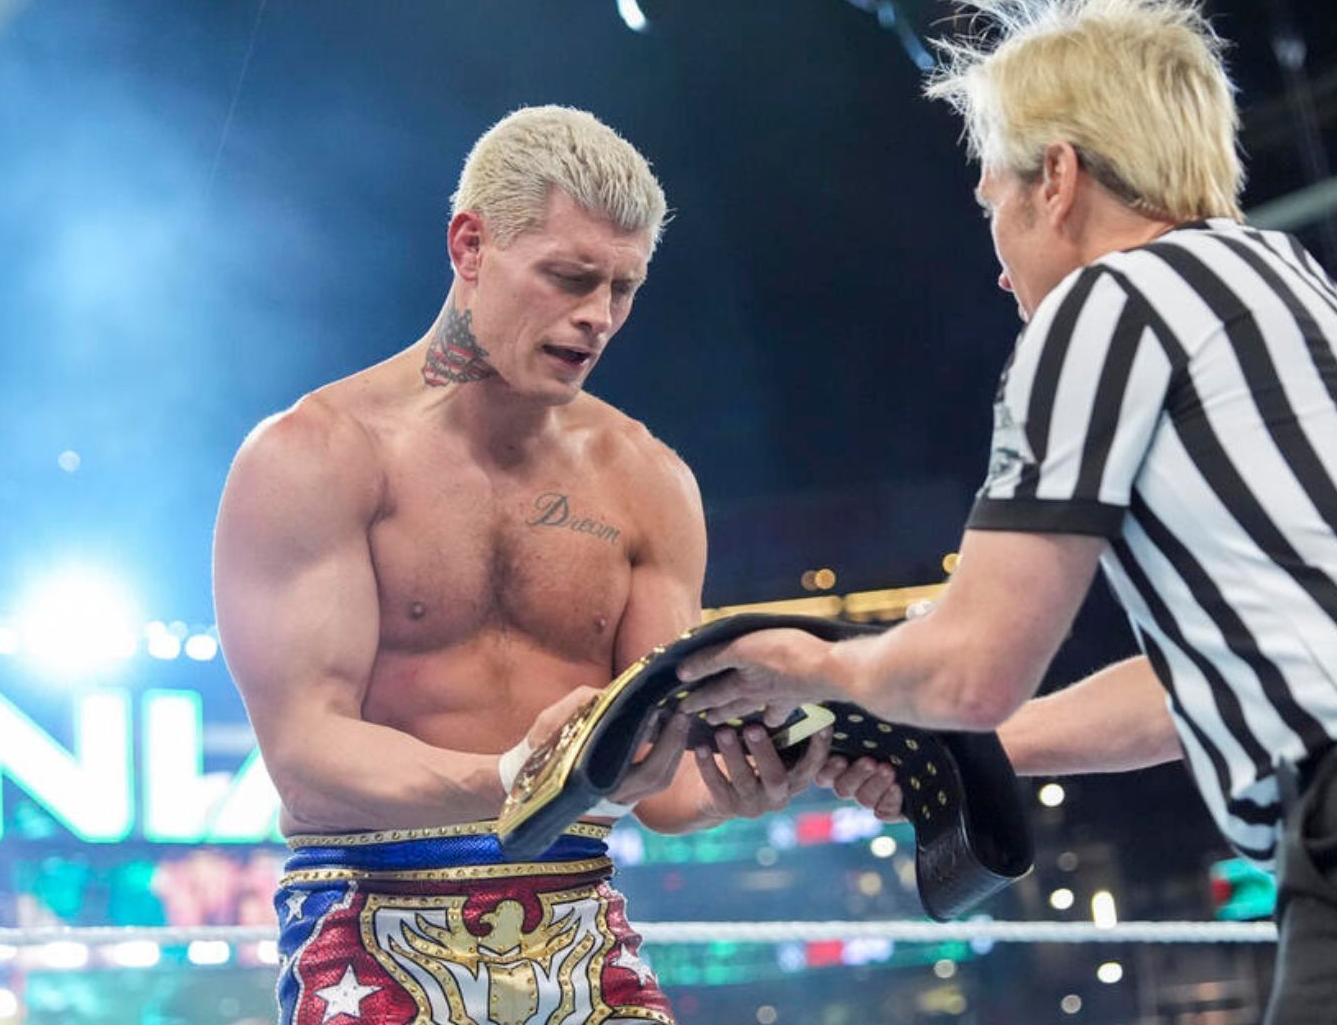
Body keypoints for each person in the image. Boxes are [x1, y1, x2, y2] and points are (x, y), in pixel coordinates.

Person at [676, 0, 1337, 1024]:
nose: (995, 264)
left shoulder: (1104, 306)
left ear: (1057, 179)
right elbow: (1214, 677)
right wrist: (963, 747)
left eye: (994, 202)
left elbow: (974, 666)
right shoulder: (1313, 312)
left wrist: (816, 666)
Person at [213, 105, 900, 1025]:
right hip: (373, 918)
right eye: (569, 277)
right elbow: (305, 755)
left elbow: (664, 786)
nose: (598, 317)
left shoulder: (648, 480)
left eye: (623, 287)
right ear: (470, 246)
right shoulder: (316, 457)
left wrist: (759, 778)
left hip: (580, 918)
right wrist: (515, 775)